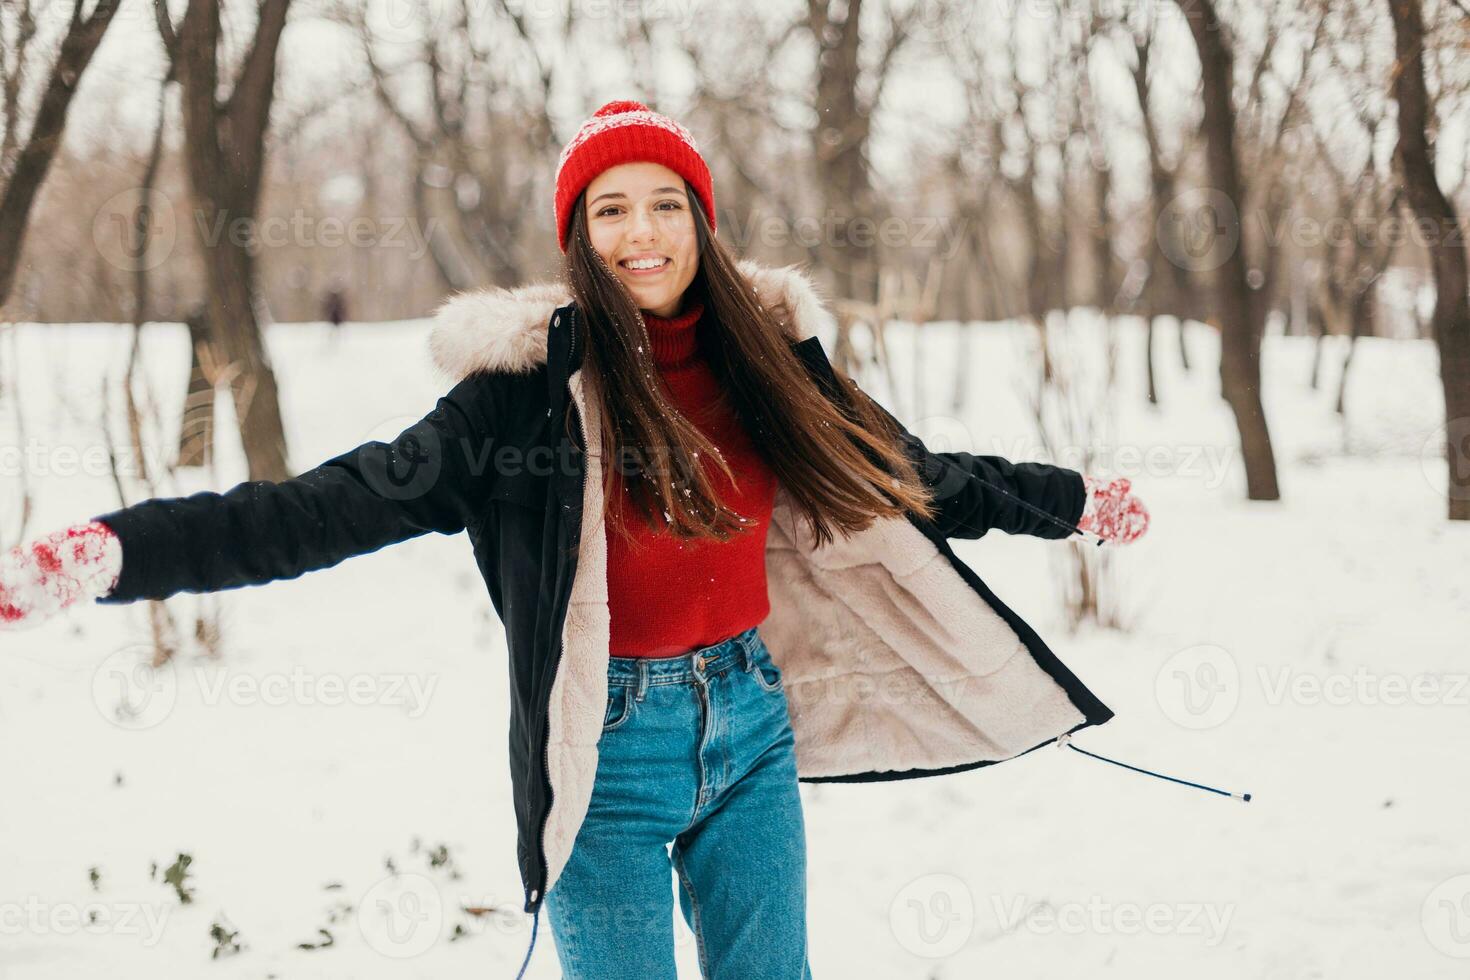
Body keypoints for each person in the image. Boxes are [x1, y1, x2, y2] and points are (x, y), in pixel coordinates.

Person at [0, 100, 1148, 978]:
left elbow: (906, 476)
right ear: (578, 237)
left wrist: (1069, 500)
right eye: (610, 210)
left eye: (662, 203)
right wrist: (117, 551)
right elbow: (329, 505)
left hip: (751, 724)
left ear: (698, 217)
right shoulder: (521, 396)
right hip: (605, 749)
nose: (640, 233)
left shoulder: (769, 362)